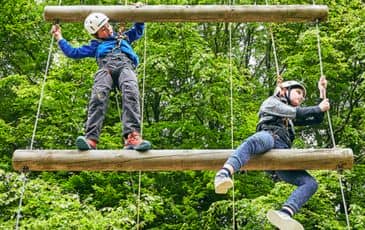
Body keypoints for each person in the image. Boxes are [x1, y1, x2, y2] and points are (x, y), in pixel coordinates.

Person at [214, 77, 330, 230]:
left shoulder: (289, 119)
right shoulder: (272, 103)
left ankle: (285, 213)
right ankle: (223, 173)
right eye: (298, 92)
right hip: (269, 138)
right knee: (253, 142)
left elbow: (315, 118)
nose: (301, 97)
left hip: (282, 154)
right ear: (284, 91)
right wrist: (318, 107)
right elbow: (300, 112)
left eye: (303, 95)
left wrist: (322, 91)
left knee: (310, 183)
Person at [51, 9, 151, 151]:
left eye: (107, 26)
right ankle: (91, 139)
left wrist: (139, 12)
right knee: (98, 97)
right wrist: (59, 37)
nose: (108, 30)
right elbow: (73, 52)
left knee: (131, 93)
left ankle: (132, 137)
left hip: (126, 67)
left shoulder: (124, 37)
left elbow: (138, 29)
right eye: (102, 30)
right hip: (106, 69)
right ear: (97, 34)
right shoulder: (96, 45)